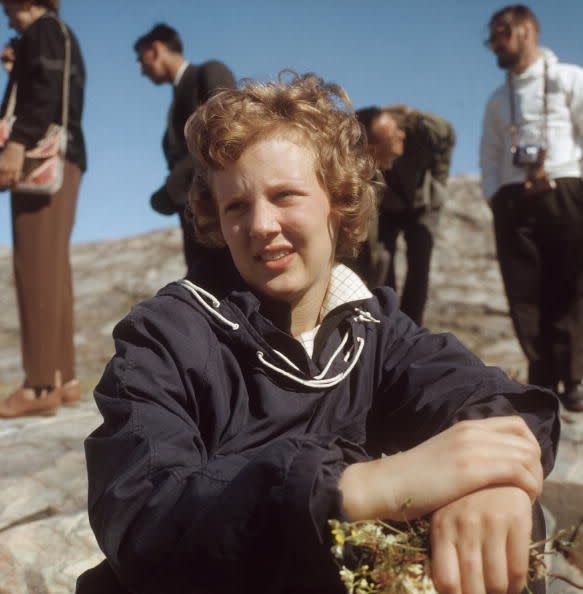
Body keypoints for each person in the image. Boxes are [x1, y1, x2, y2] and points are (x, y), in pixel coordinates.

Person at [77, 74, 558, 594]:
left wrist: (493, 485)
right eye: (235, 206)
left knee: (520, 533)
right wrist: (353, 488)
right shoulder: (165, 337)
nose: (260, 224)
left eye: (285, 195)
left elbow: (495, 400)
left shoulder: (376, 329)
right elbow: (141, 513)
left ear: (338, 199)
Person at [480, 4, 583, 412]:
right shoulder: (496, 99)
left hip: (565, 188)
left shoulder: (570, 79)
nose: (493, 45)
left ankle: (573, 378)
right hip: (513, 197)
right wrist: (495, 196)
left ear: (524, 31)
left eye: (499, 34)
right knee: (523, 290)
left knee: (573, 285)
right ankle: (541, 377)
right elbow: (488, 152)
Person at [0, 0, 86, 418]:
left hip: (42, 159)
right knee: (53, 268)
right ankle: (63, 377)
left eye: (9, 6)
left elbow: (43, 91)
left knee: (34, 266)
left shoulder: (42, 32)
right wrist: (16, 67)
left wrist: (17, 144)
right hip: (68, 157)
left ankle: (38, 387)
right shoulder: (61, 35)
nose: (5, 13)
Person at [134, 23, 236, 276]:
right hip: (195, 226)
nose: (140, 69)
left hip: (221, 217)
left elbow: (225, 132)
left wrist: (172, 188)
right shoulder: (176, 99)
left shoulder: (209, 72)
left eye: (141, 58)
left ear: (156, 50)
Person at [355, 105, 456, 326]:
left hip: (422, 204)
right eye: (393, 135)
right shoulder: (361, 159)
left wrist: (439, 180)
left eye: (399, 130)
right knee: (380, 259)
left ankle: (412, 327)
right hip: (389, 208)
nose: (400, 134)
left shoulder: (417, 130)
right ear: (372, 148)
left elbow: (447, 134)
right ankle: (384, 319)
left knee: (420, 262)